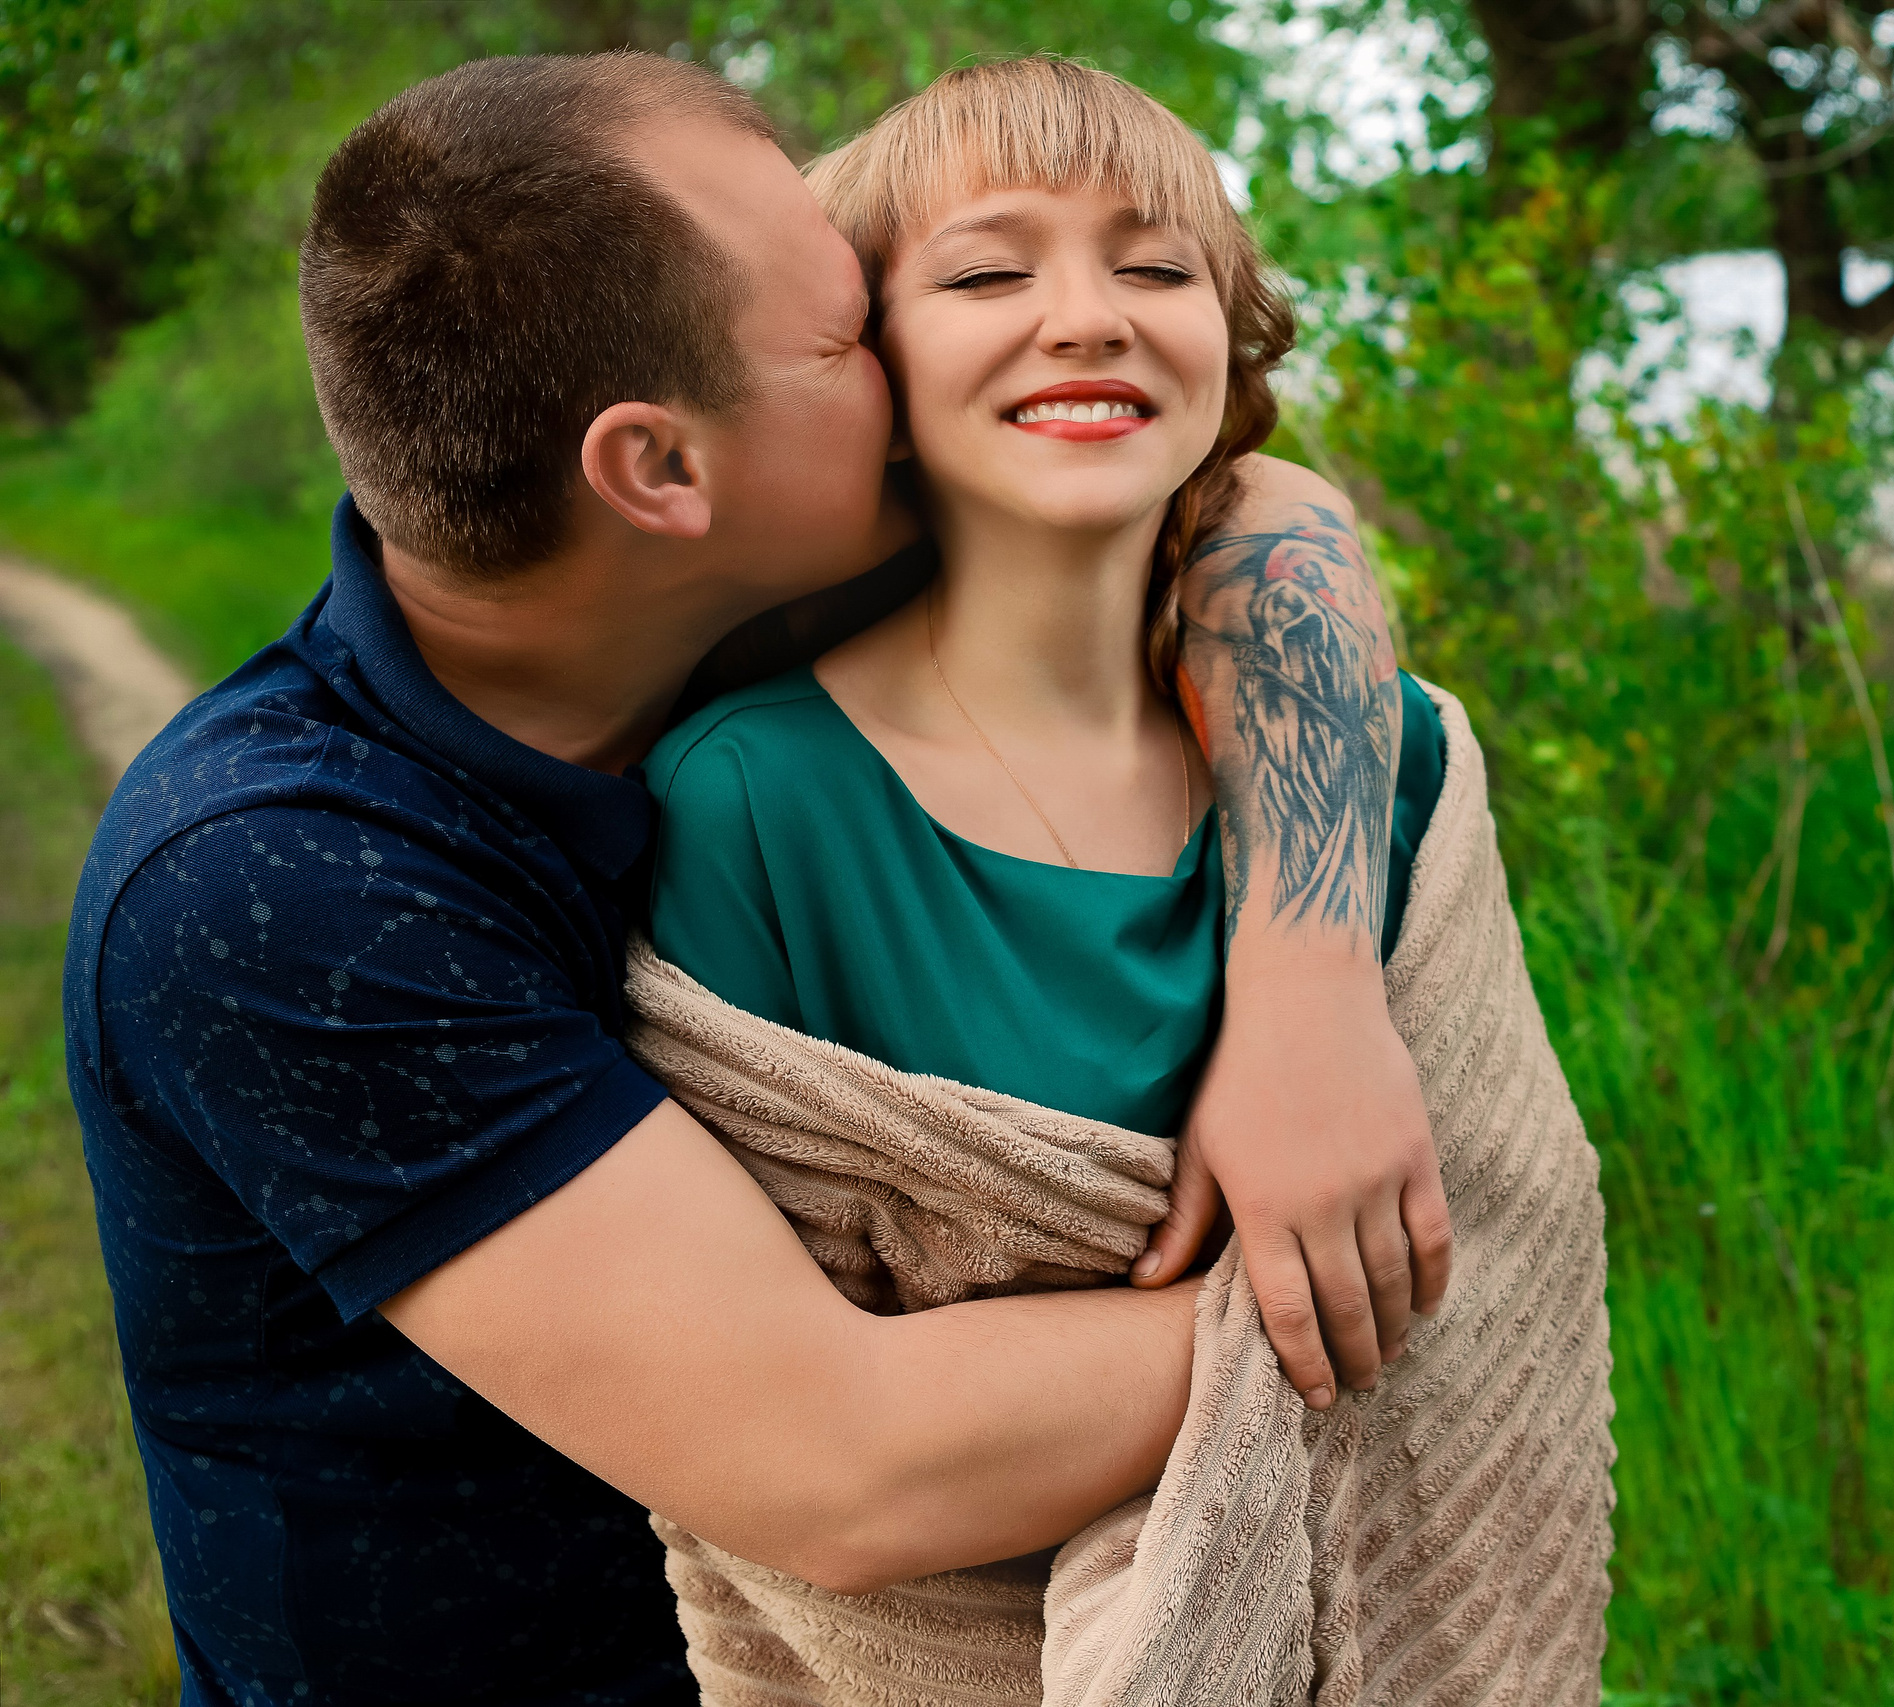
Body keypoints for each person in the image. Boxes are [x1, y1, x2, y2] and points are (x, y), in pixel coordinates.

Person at [62, 51, 1445, 1707]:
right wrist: (1411, 1287)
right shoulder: (275, 890)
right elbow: (845, 1464)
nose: (997, 334)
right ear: (659, 474)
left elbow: (1264, 512)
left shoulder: (746, 591)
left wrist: (1308, 993)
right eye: (858, 326)